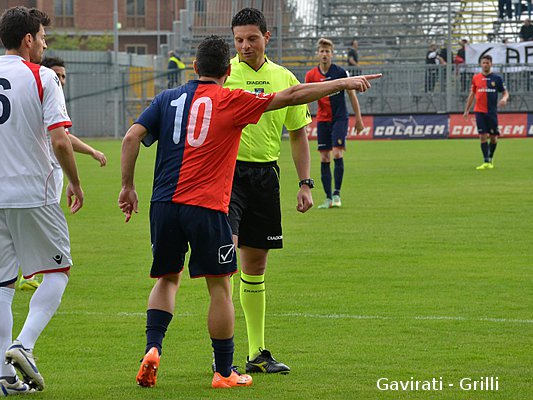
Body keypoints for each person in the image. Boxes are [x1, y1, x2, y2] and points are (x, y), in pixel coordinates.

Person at [118, 35, 379, 389]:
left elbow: (131, 138)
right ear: (228, 71)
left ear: (194, 68)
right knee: (220, 287)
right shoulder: (231, 100)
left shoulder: (166, 98)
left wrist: (128, 186)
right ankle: (224, 372)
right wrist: (344, 83)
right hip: (207, 206)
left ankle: (152, 349)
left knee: (167, 279)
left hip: (163, 205)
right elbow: (291, 96)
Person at [0, 6, 83, 396]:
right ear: (28, 39)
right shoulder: (42, 76)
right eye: (43, 37)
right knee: (57, 274)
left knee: (1, 286)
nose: (45, 44)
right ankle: (23, 345)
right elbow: (60, 140)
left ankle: (6, 379)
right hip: (34, 192)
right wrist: (76, 183)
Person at [223, 7, 311, 375]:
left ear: (267, 37)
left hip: (265, 178)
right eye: (239, 39)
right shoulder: (224, 74)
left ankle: (257, 352)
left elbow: (298, 133)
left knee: (255, 266)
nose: (244, 46)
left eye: (251, 39)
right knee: (223, 261)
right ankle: (221, 356)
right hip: (227, 176)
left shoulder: (283, 77)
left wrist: (305, 183)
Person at [17, 56, 107, 291]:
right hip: (47, 170)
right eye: (57, 75)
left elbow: (64, 137)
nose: (61, 80)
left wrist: (90, 151)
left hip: (47, 170)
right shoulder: (45, 91)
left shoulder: (47, 94)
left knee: (31, 223)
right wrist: (89, 155)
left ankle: (28, 273)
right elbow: (62, 140)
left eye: (64, 76)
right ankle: (33, 274)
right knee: (41, 225)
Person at [305, 38, 364, 209]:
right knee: (324, 157)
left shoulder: (340, 72)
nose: (324, 54)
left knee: (337, 154)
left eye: (327, 51)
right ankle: (328, 197)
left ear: (332, 54)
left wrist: (358, 119)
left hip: (339, 118)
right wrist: (304, 119)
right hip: (322, 120)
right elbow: (306, 98)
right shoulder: (311, 75)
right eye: (322, 51)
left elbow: (352, 96)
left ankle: (337, 194)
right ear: (318, 54)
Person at [463, 55, 509, 170]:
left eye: (487, 63)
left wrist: (504, 99)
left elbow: (505, 92)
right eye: (483, 63)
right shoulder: (476, 78)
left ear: (491, 64)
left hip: (491, 112)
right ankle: (486, 161)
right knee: (482, 136)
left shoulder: (497, 78)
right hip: (479, 111)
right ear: (480, 64)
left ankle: (491, 157)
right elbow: (472, 94)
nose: (485, 65)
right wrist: (467, 110)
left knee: (493, 138)